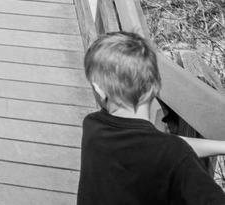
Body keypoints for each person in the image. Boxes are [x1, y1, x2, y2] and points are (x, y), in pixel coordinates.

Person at [78, 31, 225, 204]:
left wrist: (220, 146)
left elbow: (156, 145)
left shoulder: (94, 127)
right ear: (155, 87)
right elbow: (163, 148)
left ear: (99, 89)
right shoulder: (172, 155)